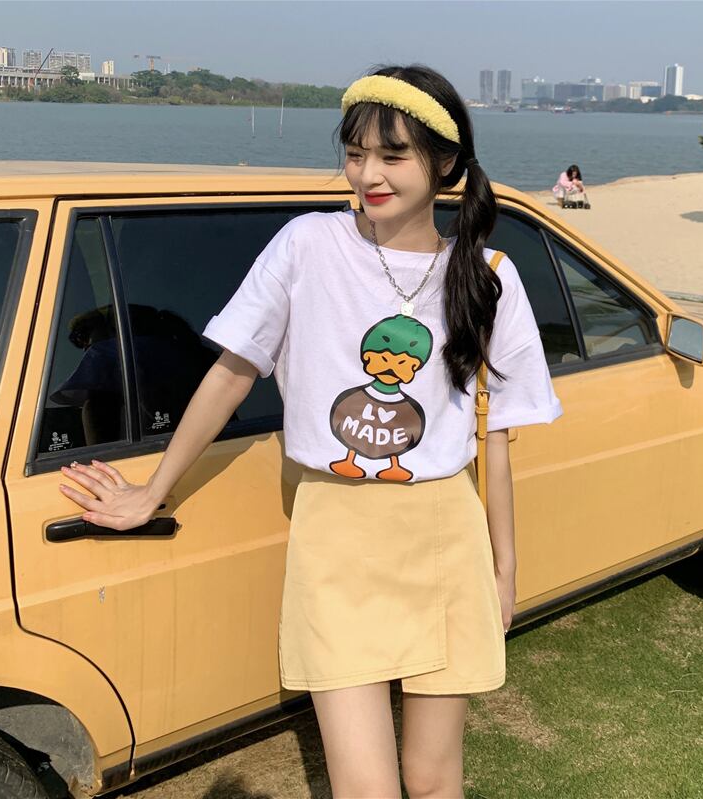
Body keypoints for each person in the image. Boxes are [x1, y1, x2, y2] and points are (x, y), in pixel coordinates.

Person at [56, 64, 563, 798]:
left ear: (445, 162)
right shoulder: (307, 244)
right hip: (337, 537)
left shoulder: (488, 276)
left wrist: (504, 567)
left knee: (434, 779)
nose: (368, 174)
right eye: (355, 153)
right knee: (366, 788)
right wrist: (153, 490)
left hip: (447, 538)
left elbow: (499, 437)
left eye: (392, 155)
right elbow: (232, 373)